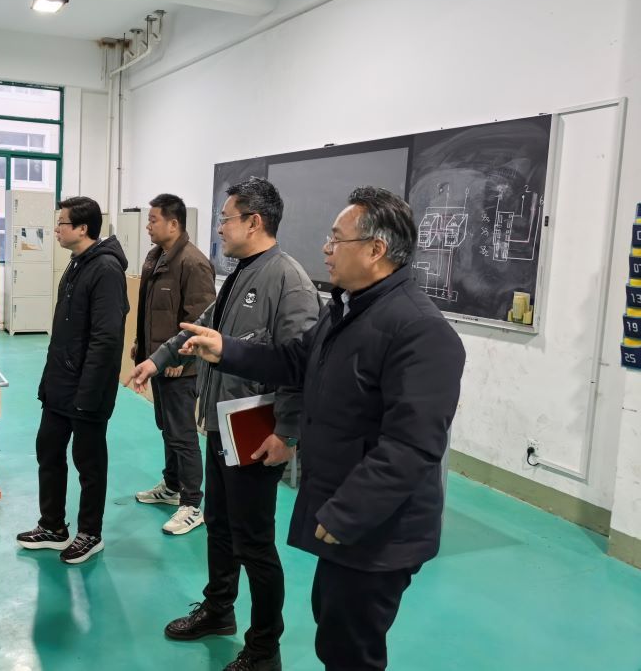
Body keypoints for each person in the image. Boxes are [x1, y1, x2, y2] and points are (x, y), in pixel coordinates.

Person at [177, 186, 466, 671]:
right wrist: (227, 350)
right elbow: (294, 360)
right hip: (346, 514)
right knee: (333, 631)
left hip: (379, 530)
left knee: (350, 650)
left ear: (375, 250)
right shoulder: (347, 311)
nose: (326, 249)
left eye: (336, 239)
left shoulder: (420, 331)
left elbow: (412, 447)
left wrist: (345, 514)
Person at [130, 178, 320, 671]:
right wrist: (157, 359)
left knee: (254, 543)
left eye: (225, 219)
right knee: (218, 526)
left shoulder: (289, 281)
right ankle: (218, 610)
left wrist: (287, 433)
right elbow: (202, 329)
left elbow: (300, 366)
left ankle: (264, 649)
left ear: (253, 222)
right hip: (220, 426)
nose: (219, 228)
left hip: (256, 433)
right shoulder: (240, 274)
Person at [17, 196, 129, 565]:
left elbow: (106, 339)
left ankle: (90, 533)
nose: (56, 229)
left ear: (82, 228)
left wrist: (88, 394)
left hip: (87, 389)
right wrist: (49, 382)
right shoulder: (77, 263)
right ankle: (53, 526)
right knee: (48, 450)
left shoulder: (106, 270)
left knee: (88, 463)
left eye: (62, 222)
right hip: (60, 385)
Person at [133, 194, 216, 536]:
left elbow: (200, 320)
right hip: (159, 362)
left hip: (181, 367)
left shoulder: (193, 264)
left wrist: (182, 359)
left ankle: (192, 504)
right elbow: (151, 311)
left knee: (183, 435)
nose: (148, 226)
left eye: (153, 220)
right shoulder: (156, 258)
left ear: (174, 223)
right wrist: (142, 346)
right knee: (167, 427)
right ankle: (171, 486)